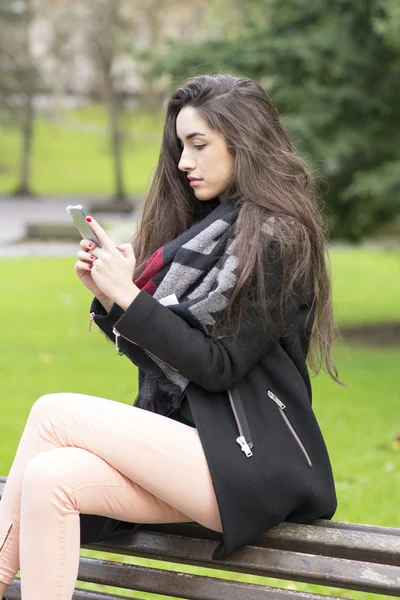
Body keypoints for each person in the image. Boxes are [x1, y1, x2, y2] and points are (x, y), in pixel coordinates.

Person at [0, 73, 342, 600]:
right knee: (50, 477)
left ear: (243, 141)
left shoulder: (278, 236)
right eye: (181, 146)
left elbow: (216, 365)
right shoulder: (208, 234)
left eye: (198, 145)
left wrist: (132, 300)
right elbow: (170, 356)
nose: (184, 162)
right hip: (195, 452)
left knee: (52, 411)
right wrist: (116, 298)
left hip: (254, 463)